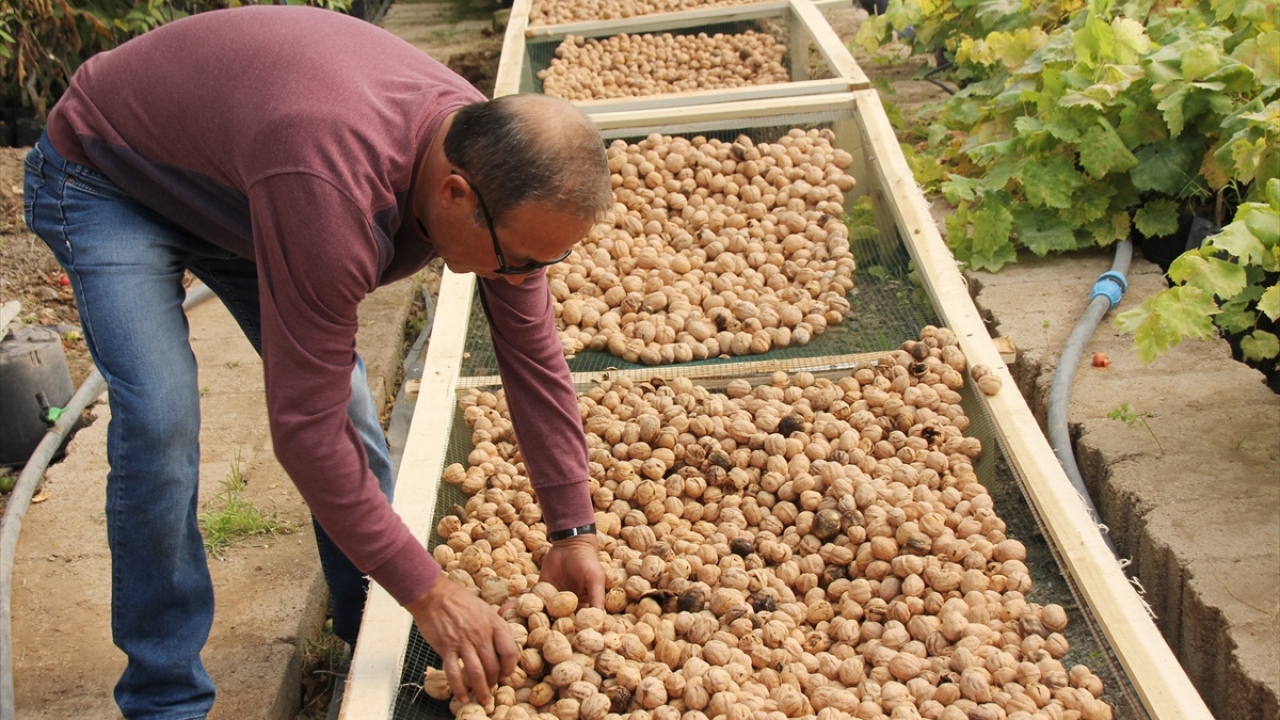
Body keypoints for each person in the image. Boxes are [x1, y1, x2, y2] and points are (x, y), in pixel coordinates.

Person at [22, 5, 609, 718]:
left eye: (542, 263)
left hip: (241, 183)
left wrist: (571, 526)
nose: (521, 279)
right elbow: (304, 428)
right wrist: (430, 590)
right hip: (107, 173)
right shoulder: (334, 190)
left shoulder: (493, 164)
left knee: (355, 415)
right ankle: (164, 696)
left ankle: (369, 625)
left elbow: (535, 357)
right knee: (160, 419)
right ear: (454, 194)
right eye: (519, 260)